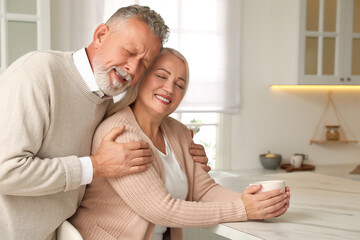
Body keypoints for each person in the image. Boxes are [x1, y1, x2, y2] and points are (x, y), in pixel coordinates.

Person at [0, 5, 209, 240]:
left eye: (144, 64)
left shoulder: (105, 102)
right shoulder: (38, 73)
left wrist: (185, 161)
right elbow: (5, 171)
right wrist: (95, 166)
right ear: (100, 36)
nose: (132, 68)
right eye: (130, 51)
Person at [69, 48, 291, 240]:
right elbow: (161, 209)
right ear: (142, 77)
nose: (169, 89)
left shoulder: (179, 132)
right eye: (161, 76)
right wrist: (243, 209)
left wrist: (258, 202)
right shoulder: (121, 133)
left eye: (179, 84)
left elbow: (204, 190)